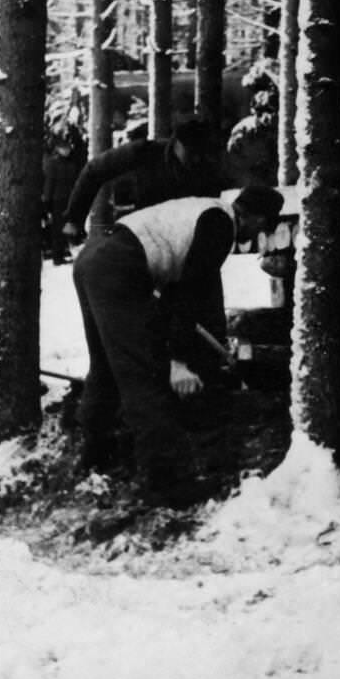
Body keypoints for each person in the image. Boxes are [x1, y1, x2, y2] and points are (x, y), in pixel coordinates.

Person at [72, 185, 284, 508]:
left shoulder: (208, 210)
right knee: (144, 377)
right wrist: (177, 361)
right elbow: (186, 298)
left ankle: (93, 459)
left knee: (106, 366)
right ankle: (165, 485)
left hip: (94, 257)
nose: (259, 234)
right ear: (253, 216)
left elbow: (192, 296)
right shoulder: (219, 226)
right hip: (119, 266)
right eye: (262, 225)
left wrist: (211, 348)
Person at [60, 118, 224, 241]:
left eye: (201, 154)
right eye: (191, 152)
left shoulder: (207, 170)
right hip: (141, 238)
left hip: (183, 245)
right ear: (177, 143)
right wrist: (74, 218)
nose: (196, 159)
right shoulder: (145, 153)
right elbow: (94, 170)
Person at [42, 129, 84, 264]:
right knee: (57, 228)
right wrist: (47, 201)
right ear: (57, 149)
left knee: (69, 226)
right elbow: (49, 183)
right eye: (63, 148)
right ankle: (57, 256)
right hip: (57, 200)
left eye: (67, 147)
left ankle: (65, 251)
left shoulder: (71, 163)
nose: (66, 150)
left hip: (69, 198)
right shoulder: (52, 163)